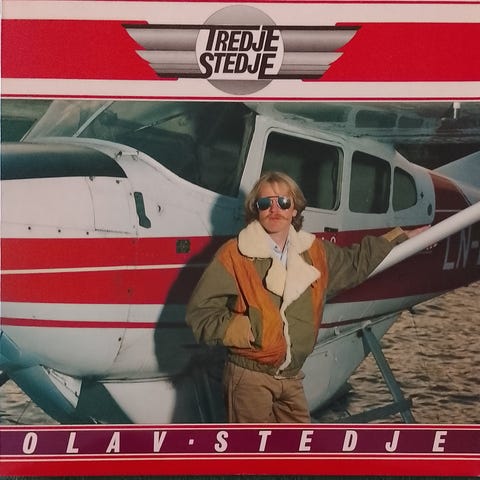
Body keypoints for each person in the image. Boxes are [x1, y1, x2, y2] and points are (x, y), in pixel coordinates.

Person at [186, 171, 426, 423]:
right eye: (265, 203)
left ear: (295, 210)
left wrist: (399, 238)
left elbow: (355, 261)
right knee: (252, 448)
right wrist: (248, 330)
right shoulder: (234, 254)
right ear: (256, 210)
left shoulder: (314, 252)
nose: (274, 209)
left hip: (291, 376)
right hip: (249, 376)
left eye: (283, 202)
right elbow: (200, 313)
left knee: (298, 445)